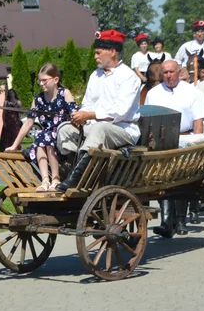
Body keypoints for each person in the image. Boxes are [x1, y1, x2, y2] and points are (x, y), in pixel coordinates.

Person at [55, 30, 142, 192]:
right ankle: (70, 170)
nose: (95, 57)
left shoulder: (129, 77)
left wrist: (90, 115)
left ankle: (77, 179)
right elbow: (88, 104)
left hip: (123, 129)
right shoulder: (95, 75)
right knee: (65, 129)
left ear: (113, 52)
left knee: (99, 128)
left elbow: (120, 111)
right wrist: (80, 116)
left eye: (98, 53)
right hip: (96, 128)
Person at [145, 59, 204, 238]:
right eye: (165, 73)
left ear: (179, 72)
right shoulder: (153, 93)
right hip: (161, 141)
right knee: (163, 180)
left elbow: (198, 122)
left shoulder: (192, 93)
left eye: (171, 72)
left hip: (185, 138)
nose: (168, 76)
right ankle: (166, 221)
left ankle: (180, 220)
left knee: (182, 179)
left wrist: (197, 145)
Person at [5, 63, 77, 191]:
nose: (40, 83)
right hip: (45, 137)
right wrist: (14, 145)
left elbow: (75, 116)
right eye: (39, 80)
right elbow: (28, 123)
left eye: (44, 80)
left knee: (46, 137)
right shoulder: (38, 99)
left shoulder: (64, 93)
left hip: (63, 135)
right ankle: (45, 181)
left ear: (56, 80)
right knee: (41, 135)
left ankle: (55, 179)